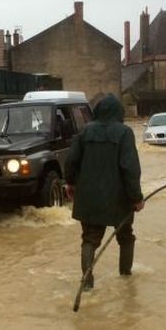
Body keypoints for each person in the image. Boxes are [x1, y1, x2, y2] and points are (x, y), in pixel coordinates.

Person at [65, 94, 144, 291]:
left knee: (90, 238)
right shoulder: (125, 133)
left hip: (89, 196)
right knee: (125, 236)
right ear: (119, 113)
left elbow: (71, 162)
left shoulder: (84, 132)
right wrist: (136, 197)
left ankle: (87, 285)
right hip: (120, 197)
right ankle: (126, 279)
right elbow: (130, 168)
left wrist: (71, 184)